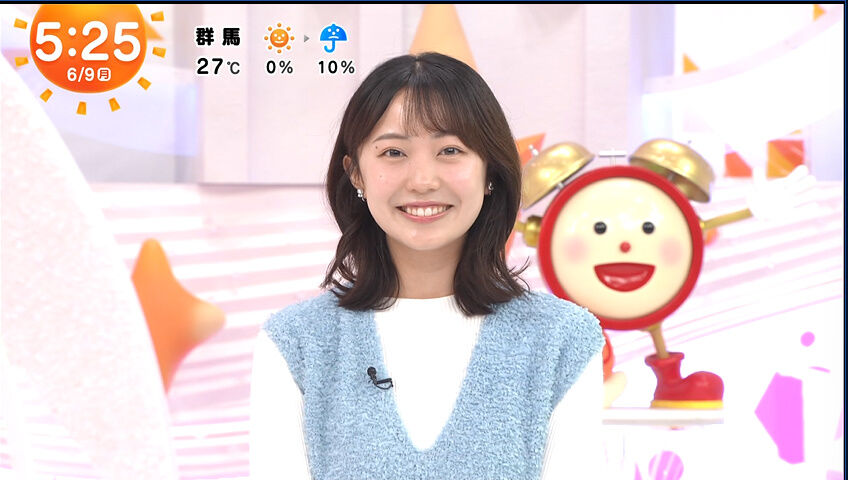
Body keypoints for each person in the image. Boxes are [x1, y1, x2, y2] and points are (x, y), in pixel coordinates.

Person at [249, 52, 605, 479]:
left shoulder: (562, 338)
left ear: (490, 172)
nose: (422, 180)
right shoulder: (296, 341)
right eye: (393, 152)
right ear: (356, 173)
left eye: (450, 150)